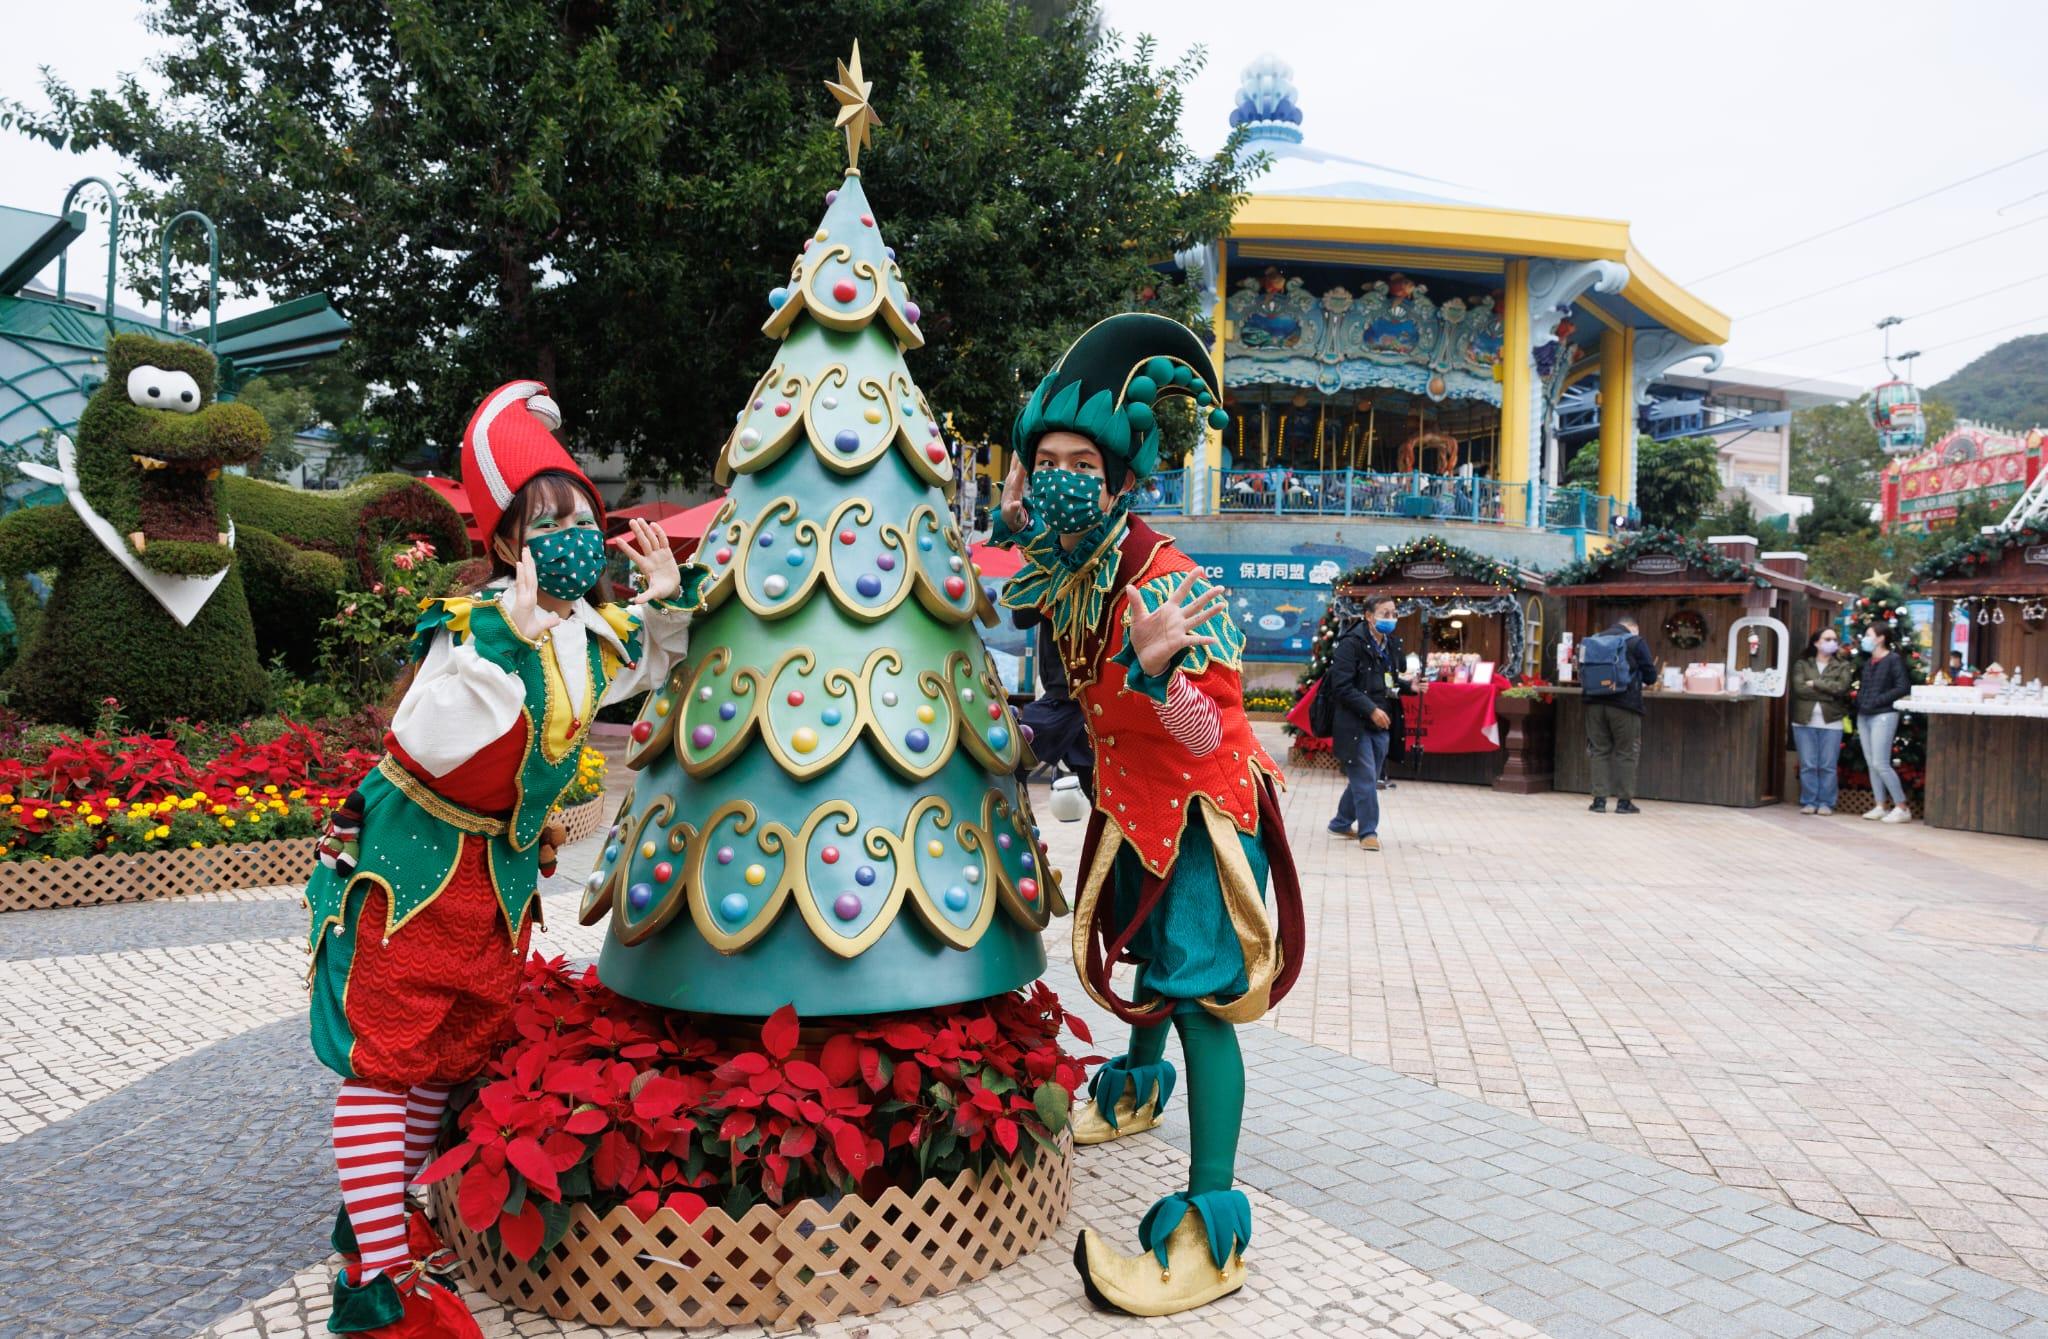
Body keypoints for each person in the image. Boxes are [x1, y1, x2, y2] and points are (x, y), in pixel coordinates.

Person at [304, 382, 700, 1337]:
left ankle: (382, 1221)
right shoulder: (473, 622)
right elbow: (426, 735)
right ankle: (377, 1292)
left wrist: (661, 608)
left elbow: (625, 680)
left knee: (450, 1050)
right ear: (506, 542)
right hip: (412, 865)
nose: (570, 533)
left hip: (494, 875)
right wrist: (505, 643)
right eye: (546, 520)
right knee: (387, 1059)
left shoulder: (578, 627)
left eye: (581, 517)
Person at [992, 313, 1302, 1316]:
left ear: (1122, 478)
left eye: (1080, 461)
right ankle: (1133, 1089)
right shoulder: (1069, 569)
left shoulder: (1170, 582)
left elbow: (1210, 736)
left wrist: (1158, 668)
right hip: (1130, 806)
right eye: (1044, 461)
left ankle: (1209, 1225)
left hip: (1202, 816)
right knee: (1143, 970)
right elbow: (1066, 702)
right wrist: (1021, 739)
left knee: (1200, 999)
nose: (1058, 477)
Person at [1325, 595, 1404, 851]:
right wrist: (1370, 709)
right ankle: (1368, 832)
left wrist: (1410, 686)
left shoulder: (1391, 644)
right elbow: (1342, 687)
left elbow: (1390, 681)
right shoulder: (1351, 644)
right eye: (1384, 613)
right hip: (1354, 724)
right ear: (1369, 616)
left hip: (1381, 724)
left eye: (1393, 613)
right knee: (1367, 780)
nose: (1390, 619)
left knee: (1365, 777)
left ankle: (1340, 822)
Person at [1012, 609, 1095, 799]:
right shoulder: (1052, 580)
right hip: (1060, 698)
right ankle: (1021, 825)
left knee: (1100, 789)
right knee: (1013, 757)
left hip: (1094, 701)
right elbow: (1021, 618)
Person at [1582, 614, 1656, 814]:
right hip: (1625, 704)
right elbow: (1651, 676)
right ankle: (1624, 802)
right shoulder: (1635, 642)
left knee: (1599, 750)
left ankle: (1599, 801)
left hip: (1594, 703)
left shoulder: (1594, 640)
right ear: (1632, 627)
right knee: (1626, 752)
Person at [1790, 627, 1854, 815]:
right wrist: (1828, 692)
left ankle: (1826, 802)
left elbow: (1841, 688)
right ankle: (1809, 801)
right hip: (1804, 721)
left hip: (1831, 722)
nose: (1832, 642)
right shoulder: (1803, 664)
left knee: (1827, 765)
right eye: (1827, 639)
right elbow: (1799, 689)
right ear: (1816, 642)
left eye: (1834, 639)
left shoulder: (1842, 665)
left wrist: (1816, 684)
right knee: (1808, 764)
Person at [1855, 622, 1913, 823]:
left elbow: (1902, 686)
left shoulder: (1893, 660)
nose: (1865, 638)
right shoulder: (1869, 662)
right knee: (1872, 763)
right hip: (1864, 715)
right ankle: (1880, 805)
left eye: (1869, 634)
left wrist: (1877, 700)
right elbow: (1864, 686)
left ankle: (1901, 806)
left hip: (1884, 715)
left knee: (1881, 763)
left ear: (1880, 638)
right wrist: (1861, 701)